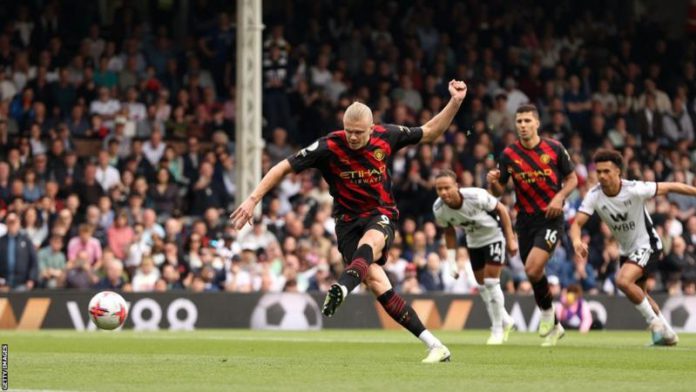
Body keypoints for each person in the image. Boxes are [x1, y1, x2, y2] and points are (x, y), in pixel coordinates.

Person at [231, 79, 468, 363]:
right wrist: (253, 199)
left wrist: (455, 102)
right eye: (349, 131)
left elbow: (431, 131)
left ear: (371, 128)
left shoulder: (388, 136)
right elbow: (284, 167)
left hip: (380, 214)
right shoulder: (329, 146)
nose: (353, 137)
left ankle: (342, 287)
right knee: (379, 284)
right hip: (346, 222)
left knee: (370, 242)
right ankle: (435, 345)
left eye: (359, 133)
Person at [568, 149, 694, 345]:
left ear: (618, 171)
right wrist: (577, 242)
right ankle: (667, 335)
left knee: (623, 281)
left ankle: (655, 324)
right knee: (640, 295)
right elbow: (576, 224)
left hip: (648, 245)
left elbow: (670, 187)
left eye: (606, 171)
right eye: (599, 171)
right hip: (627, 250)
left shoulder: (635, 189)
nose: (601, 176)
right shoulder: (594, 195)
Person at [487, 104, 578, 346]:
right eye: (519, 122)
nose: (523, 125)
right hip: (524, 221)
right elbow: (499, 189)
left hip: (550, 218)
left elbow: (573, 178)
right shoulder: (508, 154)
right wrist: (493, 182)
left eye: (528, 121)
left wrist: (560, 197)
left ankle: (547, 316)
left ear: (537, 123)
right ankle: (555, 326)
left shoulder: (554, 148)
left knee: (533, 268)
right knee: (533, 272)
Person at [433, 169, 518, 344]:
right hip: (474, 242)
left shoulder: (476, 196)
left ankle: (497, 329)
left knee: (490, 283)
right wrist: (452, 263)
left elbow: (502, 210)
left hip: (495, 236)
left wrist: (511, 239)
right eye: (439, 189)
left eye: (447, 188)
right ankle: (506, 319)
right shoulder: (439, 209)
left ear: (456, 186)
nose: (443, 192)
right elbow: (449, 233)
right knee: (482, 287)